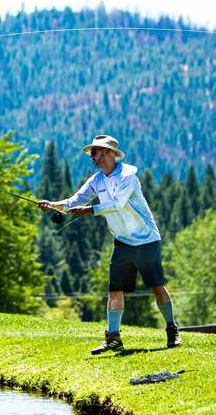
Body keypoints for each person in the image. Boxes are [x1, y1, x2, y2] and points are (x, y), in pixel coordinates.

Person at [37, 134, 182, 354]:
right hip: (122, 241)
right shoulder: (96, 180)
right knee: (115, 290)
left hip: (146, 240)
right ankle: (113, 338)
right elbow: (75, 201)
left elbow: (116, 205)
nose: (92, 157)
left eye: (95, 152)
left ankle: (172, 329)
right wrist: (53, 205)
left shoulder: (128, 176)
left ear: (109, 153)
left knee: (157, 287)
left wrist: (89, 210)